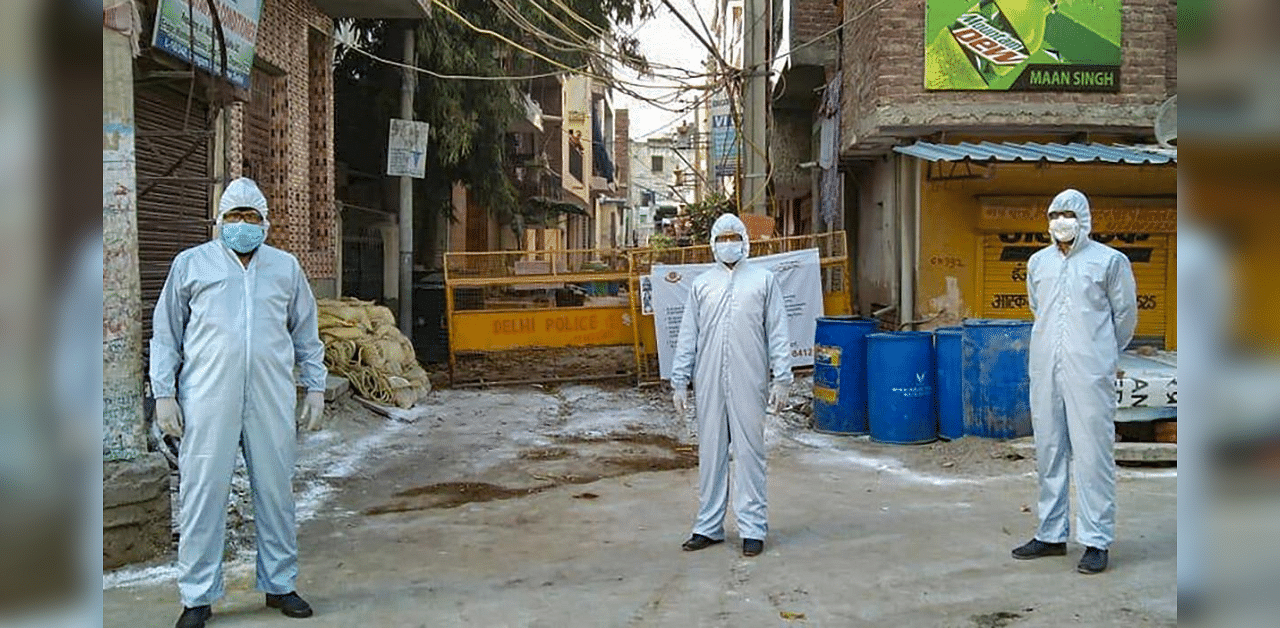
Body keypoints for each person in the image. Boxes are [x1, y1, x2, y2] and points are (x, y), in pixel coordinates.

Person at [151, 178, 328, 628]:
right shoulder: (192, 265)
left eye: (252, 216)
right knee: (202, 493)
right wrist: (164, 394)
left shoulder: (285, 268)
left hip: (269, 395)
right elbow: (166, 333)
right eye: (235, 216)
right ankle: (197, 596)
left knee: (275, 490)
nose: (243, 224)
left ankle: (280, 584)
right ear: (219, 220)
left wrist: (315, 387)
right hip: (208, 396)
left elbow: (306, 333)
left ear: (265, 222)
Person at [1012, 189, 1137, 575]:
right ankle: (1051, 534)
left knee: (1092, 455)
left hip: (1090, 370)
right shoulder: (1038, 262)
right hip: (1046, 365)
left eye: (1067, 214)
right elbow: (1038, 307)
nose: (1060, 221)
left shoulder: (1109, 261)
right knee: (1049, 449)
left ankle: (1096, 540)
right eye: (1053, 214)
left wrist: (1100, 354)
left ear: (1083, 217)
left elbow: (1125, 315)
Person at [670, 213, 792, 558]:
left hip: (749, 375)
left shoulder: (763, 281)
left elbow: (778, 331)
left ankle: (752, 527)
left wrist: (782, 377)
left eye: (733, 236)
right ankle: (708, 526)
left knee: (750, 450)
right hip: (707, 378)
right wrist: (679, 380)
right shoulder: (701, 285)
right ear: (712, 242)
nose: (728, 244)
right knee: (710, 451)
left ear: (744, 239)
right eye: (722, 238)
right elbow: (688, 336)